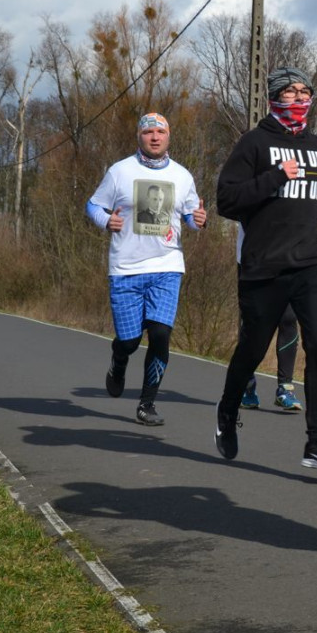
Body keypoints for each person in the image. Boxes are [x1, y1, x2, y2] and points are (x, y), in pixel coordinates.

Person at [214, 66, 317, 469]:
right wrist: (274, 176)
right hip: (264, 266)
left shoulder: (316, 145)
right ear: (274, 97)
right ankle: (227, 411)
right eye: (291, 92)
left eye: (305, 91)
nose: (300, 98)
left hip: (308, 264)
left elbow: (310, 198)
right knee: (252, 349)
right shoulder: (254, 143)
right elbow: (227, 200)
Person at [86, 112, 207, 426]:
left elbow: (191, 216)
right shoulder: (120, 171)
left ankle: (147, 404)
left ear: (168, 137)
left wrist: (198, 220)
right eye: (148, 132)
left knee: (160, 334)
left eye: (160, 132)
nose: (154, 137)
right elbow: (93, 205)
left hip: (167, 266)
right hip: (126, 268)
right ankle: (119, 359)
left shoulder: (182, 176)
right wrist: (105, 220)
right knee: (129, 341)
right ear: (139, 137)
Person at [235, 224, 303, 411]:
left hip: (286, 258)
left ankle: (285, 388)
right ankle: (247, 385)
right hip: (252, 258)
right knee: (252, 323)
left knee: (289, 318)